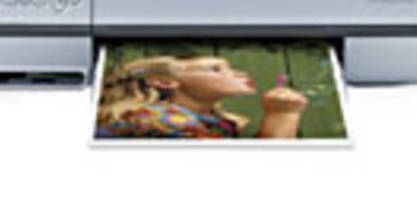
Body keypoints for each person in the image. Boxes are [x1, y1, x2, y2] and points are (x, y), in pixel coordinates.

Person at [95, 54, 308, 139]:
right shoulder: (154, 119)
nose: (239, 73)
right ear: (165, 82)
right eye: (215, 69)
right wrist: (282, 115)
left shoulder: (215, 122)